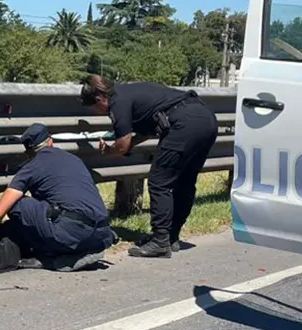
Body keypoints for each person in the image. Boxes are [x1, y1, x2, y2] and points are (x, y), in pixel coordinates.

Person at [80, 74, 218, 258]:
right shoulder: (128, 91)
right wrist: (127, 145)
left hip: (183, 123)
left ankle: (160, 241)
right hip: (205, 118)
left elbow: (122, 145)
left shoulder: (117, 102)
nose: (97, 112)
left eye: (95, 108)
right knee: (184, 182)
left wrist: (109, 151)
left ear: (99, 99)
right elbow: (146, 131)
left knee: (159, 181)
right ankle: (170, 237)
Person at [0, 122, 113, 262]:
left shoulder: (31, 167)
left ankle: (54, 252)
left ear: (28, 152)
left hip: (73, 235)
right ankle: (78, 249)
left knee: (16, 204)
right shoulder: (75, 160)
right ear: (50, 141)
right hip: (102, 234)